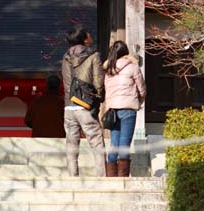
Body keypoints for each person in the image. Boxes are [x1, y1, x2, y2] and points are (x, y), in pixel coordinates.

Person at [61, 26, 105, 177]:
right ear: (84, 39)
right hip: (86, 105)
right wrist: (98, 97)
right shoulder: (93, 55)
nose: (91, 36)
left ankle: (72, 177)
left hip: (69, 105)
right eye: (89, 34)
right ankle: (101, 177)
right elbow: (98, 80)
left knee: (71, 145)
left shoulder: (66, 57)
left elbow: (66, 81)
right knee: (96, 142)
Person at [102, 39, 146, 178]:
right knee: (124, 144)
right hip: (128, 109)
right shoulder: (133, 66)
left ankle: (111, 177)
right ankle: (122, 179)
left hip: (113, 110)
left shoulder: (109, 69)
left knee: (114, 143)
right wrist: (139, 101)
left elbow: (107, 90)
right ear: (126, 52)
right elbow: (142, 89)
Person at [25, 74, 65, 138]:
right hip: (58, 138)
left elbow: (28, 120)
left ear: (47, 85)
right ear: (59, 85)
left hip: (39, 137)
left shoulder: (36, 101)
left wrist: (39, 126)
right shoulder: (63, 102)